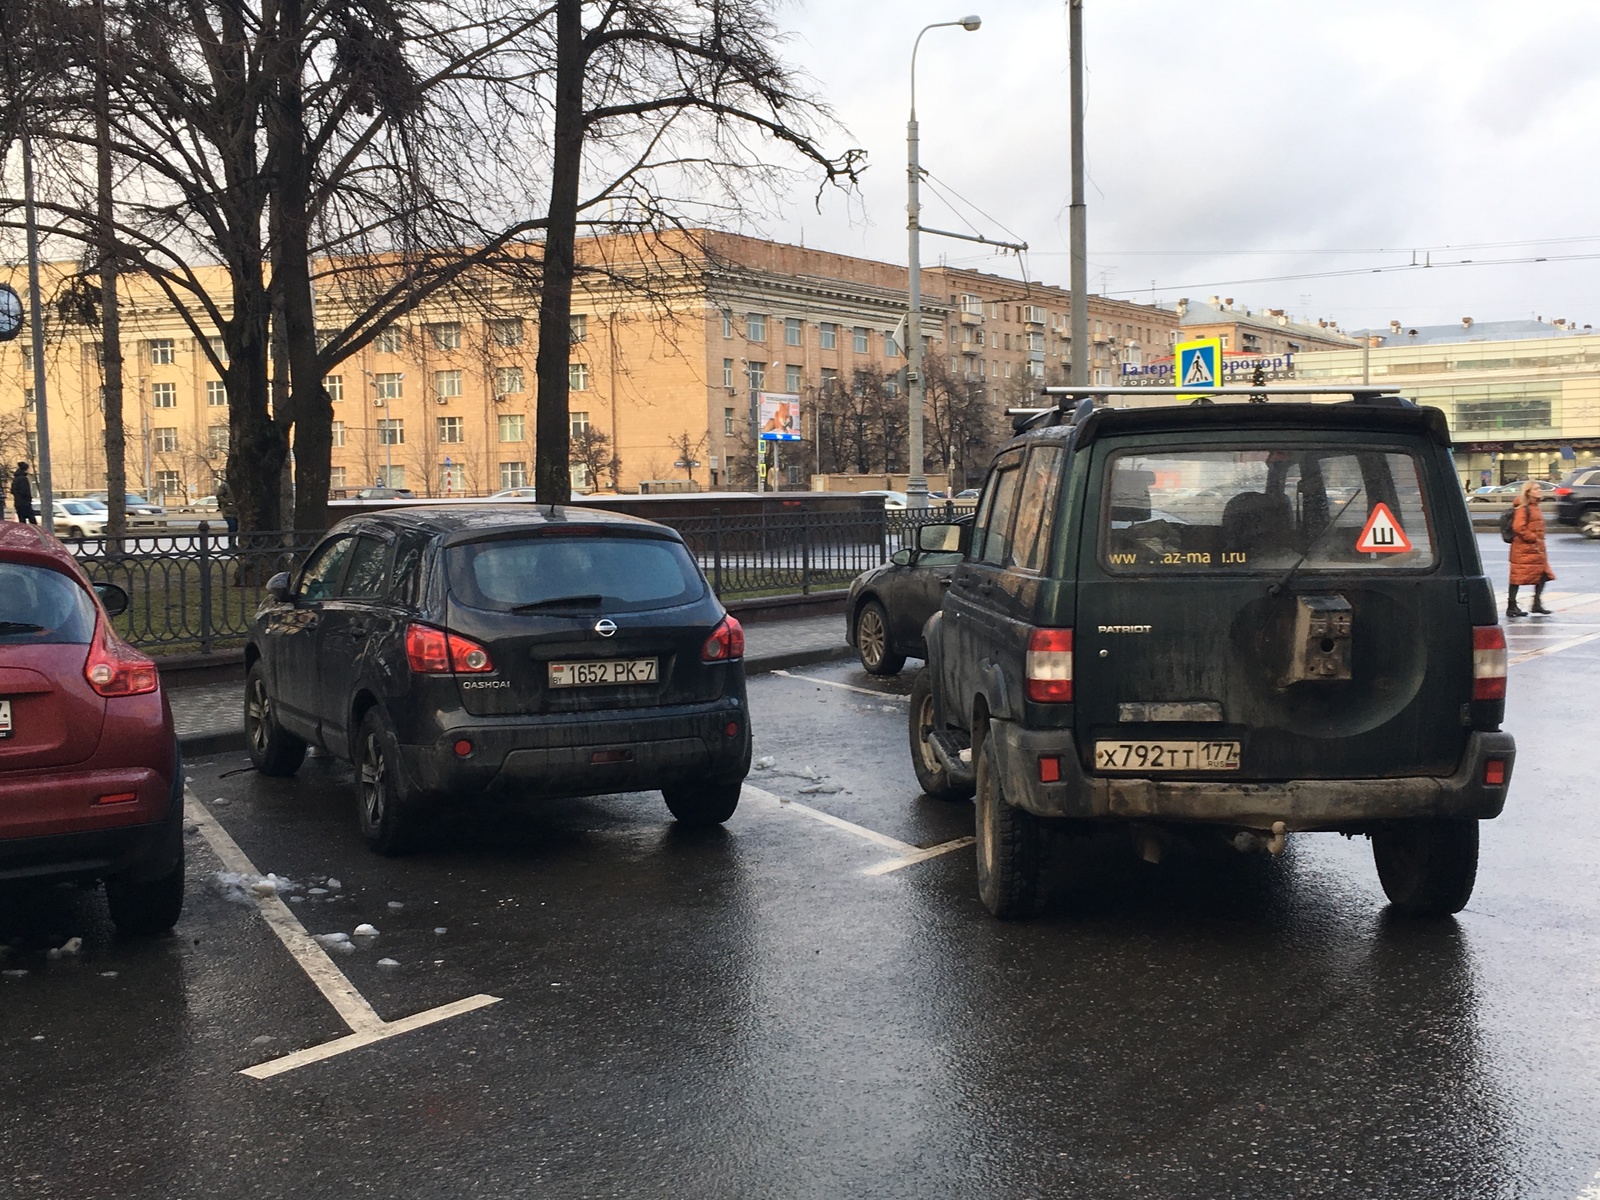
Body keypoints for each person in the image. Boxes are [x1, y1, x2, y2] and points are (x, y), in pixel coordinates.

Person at [1507, 479, 1554, 617]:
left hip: (1535, 548)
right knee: (1517, 577)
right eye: (1535, 489)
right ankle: (1512, 606)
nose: (1539, 491)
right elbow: (1518, 527)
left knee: (1543, 574)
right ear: (1528, 492)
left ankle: (1536, 603)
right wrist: (1533, 538)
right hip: (1524, 548)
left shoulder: (1535, 507)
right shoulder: (1523, 508)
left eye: (1539, 488)